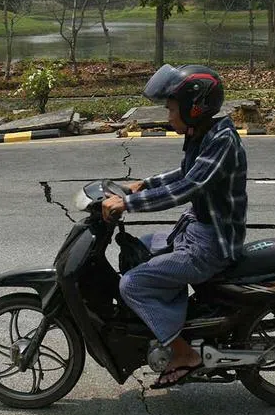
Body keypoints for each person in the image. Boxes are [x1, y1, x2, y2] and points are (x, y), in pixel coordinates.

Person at [101, 64, 248, 389]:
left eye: (171, 107)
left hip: (211, 245)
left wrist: (129, 203)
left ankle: (183, 353)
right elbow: (185, 173)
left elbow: (188, 187)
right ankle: (175, 319)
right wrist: (145, 184)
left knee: (133, 285)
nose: (168, 115)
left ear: (195, 107)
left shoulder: (222, 140)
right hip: (196, 231)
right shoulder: (205, 134)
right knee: (143, 247)